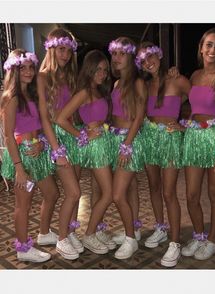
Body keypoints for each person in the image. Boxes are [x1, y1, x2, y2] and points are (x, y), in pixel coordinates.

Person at [181, 28, 215, 260]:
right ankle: (200, 235)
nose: (213, 50)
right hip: (194, 138)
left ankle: (212, 240)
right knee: (191, 195)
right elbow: (193, 107)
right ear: (201, 48)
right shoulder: (193, 76)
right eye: (209, 45)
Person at [135, 42, 191, 267]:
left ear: (159, 55)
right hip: (150, 138)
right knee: (154, 187)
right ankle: (160, 227)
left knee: (169, 192)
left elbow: (201, 102)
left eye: (151, 56)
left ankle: (175, 242)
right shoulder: (146, 85)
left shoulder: (177, 79)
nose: (148, 62)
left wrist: (185, 125)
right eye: (143, 60)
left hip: (169, 139)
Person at [0, 49, 59, 262]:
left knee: (52, 193)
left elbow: (39, 126)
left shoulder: (31, 94)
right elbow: (8, 136)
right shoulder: (12, 98)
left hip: (38, 151)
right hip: (22, 156)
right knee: (23, 205)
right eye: (22, 67)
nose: (28, 71)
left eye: (30, 67)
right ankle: (23, 249)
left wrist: (43, 143)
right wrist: (19, 169)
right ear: (13, 70)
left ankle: (43, 234)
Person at [56, 49, 116, 254]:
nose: (102, 74)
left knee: (99, 191)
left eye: (105, 70)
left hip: (103, 143)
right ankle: (89, 234)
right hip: (95, 147)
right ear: (89, 69)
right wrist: (82, 135)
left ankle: (94, 230)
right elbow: (61, 119)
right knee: (109, 193)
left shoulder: (100, 91)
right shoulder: (84, 92)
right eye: (97, 69)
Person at [37, 28, 84, 260]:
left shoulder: (70, 76)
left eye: (68, 50)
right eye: (61, 49)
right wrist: (56, 149)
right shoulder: (43, 77)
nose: (65, 54)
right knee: (73, 193)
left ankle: (72, 230)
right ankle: (62, 238)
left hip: (73, 136)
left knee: (76, 189)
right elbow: (46, 117)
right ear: (51, 49)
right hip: (56, 138)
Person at [108, 37, 147, 259]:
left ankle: (130, 239)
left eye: (122, 54)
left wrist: (127, 145)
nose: (116, 58)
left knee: (117, 194)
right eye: (114, 54)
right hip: (116, 139)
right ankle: (134, 229)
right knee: (130, 188)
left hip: (129, 141)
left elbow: (139, 115)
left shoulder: (138, 83)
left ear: (131, 57)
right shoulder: (116, 83)